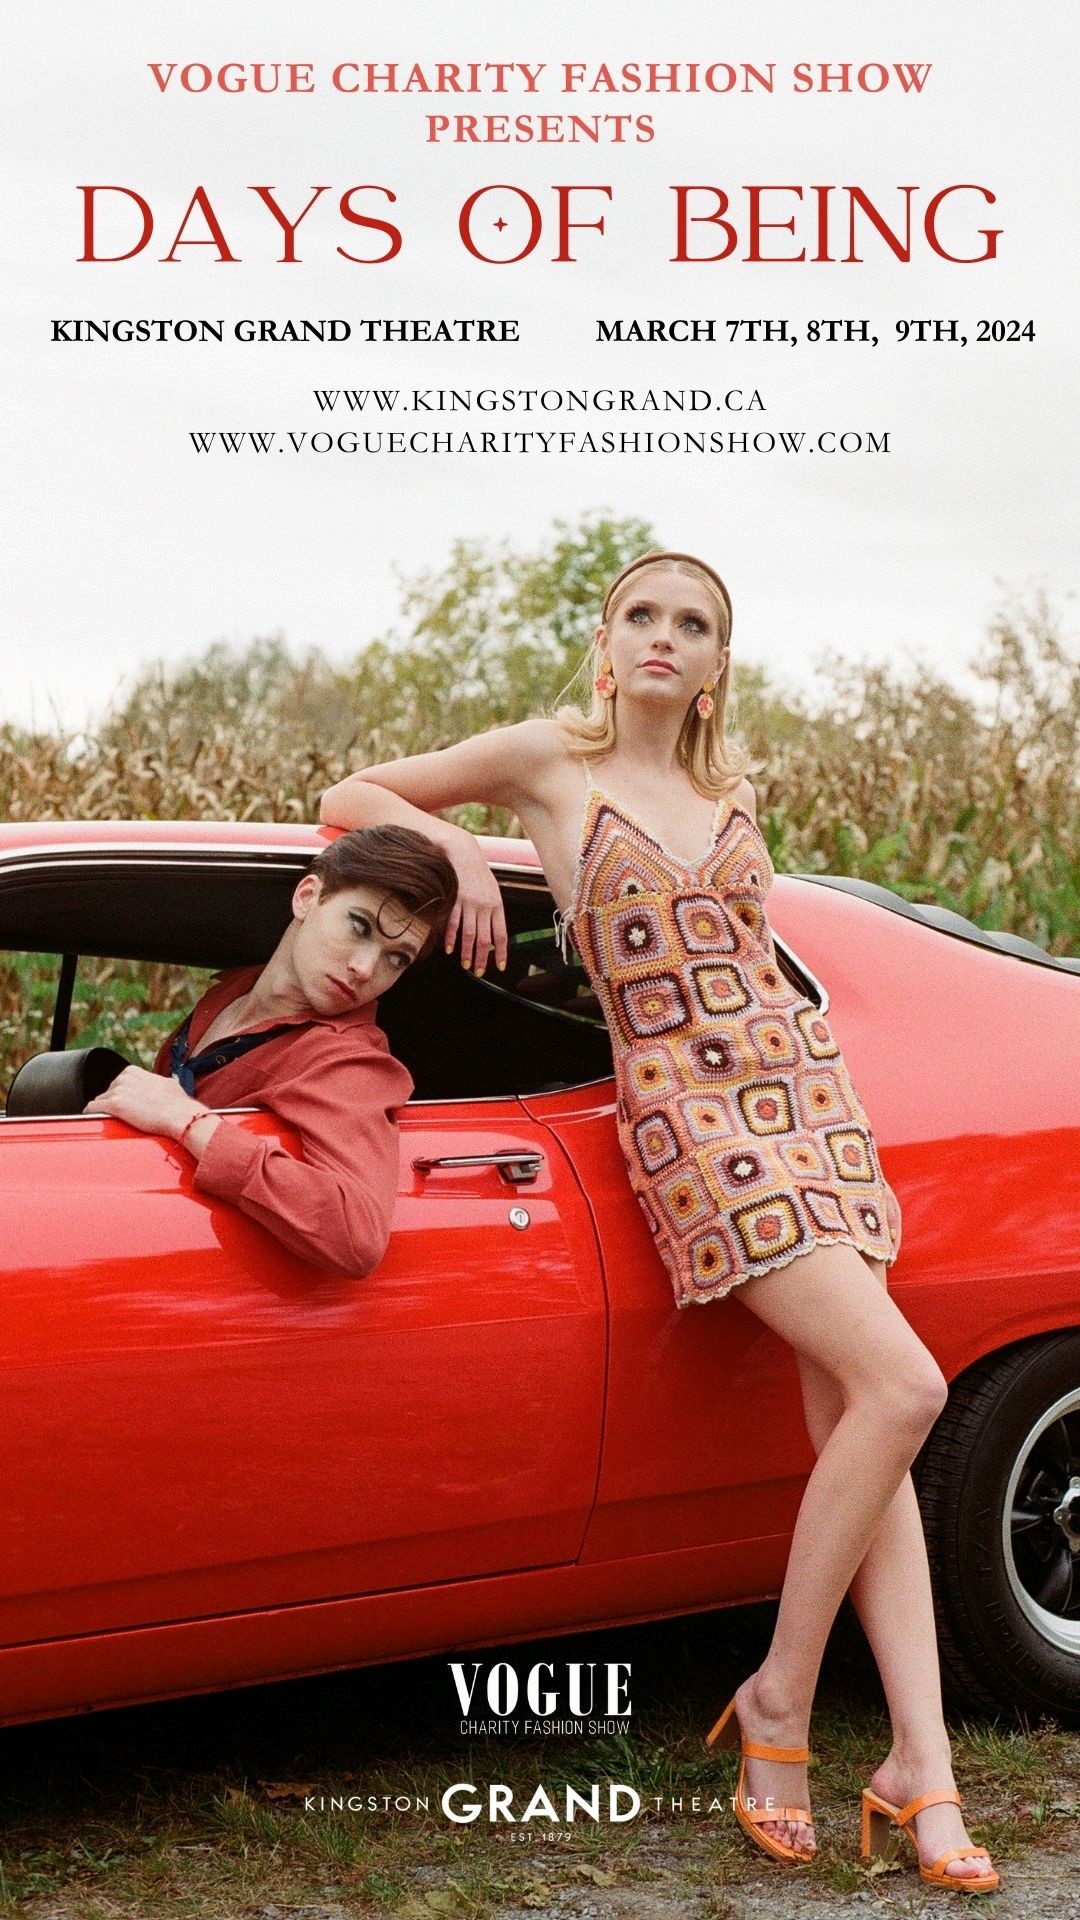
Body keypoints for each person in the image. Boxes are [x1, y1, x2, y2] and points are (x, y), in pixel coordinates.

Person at [318, 551, 999, 1892]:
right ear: (607, 637)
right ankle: (779, 1702)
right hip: (690, 1115)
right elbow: (355, 793)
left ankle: (926, 1764)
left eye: (695, 625)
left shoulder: (728, 790)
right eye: (645, 615)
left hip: (808, 1096)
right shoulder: (551, 764)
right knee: (905, 1387)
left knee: (860, 1411)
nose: (665, 639)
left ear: (718, 663)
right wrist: (453, 838)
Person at [84, 826, 458, 1276]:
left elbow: (356, 1235)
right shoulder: (229, 994)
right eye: (359, 927)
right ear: (307, 897)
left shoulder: (346, 1060)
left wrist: (188, 1120)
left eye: (397, 958)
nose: (364, 968)